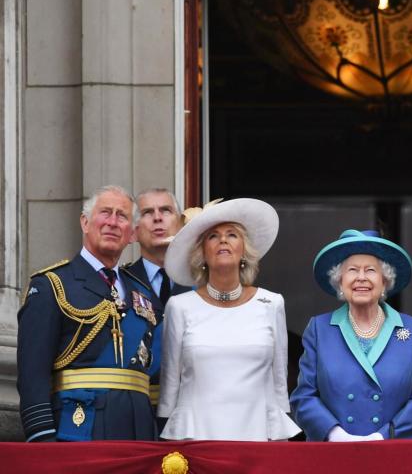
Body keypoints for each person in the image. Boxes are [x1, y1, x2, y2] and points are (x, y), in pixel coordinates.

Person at [17, 185, 158, 441]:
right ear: (85, 222)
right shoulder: (52, 285)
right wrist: (42, 436)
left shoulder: (143, 293)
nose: (113, 222)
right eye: (105, 213)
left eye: (122, 216)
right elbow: (32, 374)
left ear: (133, 234)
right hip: (79, 427)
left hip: (139, 430)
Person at [158, 198, 300, 440]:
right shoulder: (179, 306)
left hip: (257, 434)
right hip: (197, 437)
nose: (223, 240)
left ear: (244, 248)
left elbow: (279, 383)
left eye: (232, 234)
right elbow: (170, 383)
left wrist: (281, 433)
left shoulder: (271, 303)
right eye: (213, 236)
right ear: (202, 253)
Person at [290, 229, 412, 441]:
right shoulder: (319, 329)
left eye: (370, 270)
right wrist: (336, 435)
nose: (361, 278)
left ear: (385, 281)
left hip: (393, 454)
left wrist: (383, 437)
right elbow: (304, 396)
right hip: (333, 454)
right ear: (340, 281)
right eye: (352, 270)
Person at [122, 188, 192, 407]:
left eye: (166, 210)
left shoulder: (201, 284)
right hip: (137, 409)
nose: (158, 218)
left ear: (181, 225)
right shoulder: (120, 283)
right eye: (147, 213)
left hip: (191, 410)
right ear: (133, 232)